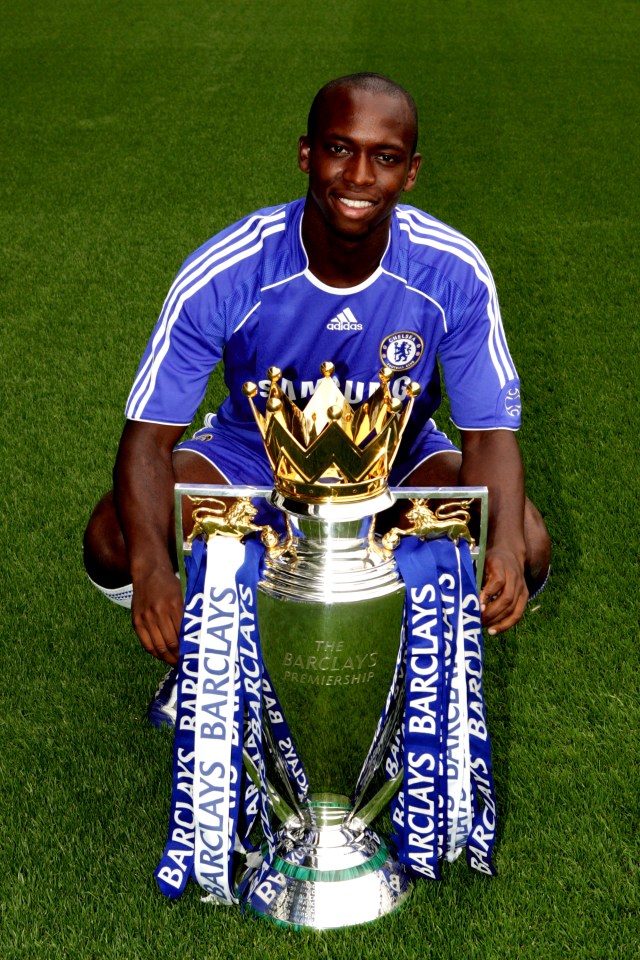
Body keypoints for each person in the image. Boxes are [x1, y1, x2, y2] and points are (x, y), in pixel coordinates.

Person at [84, 73, 550, 712]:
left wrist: (500, 549)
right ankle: (205, 656)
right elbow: (146, 438)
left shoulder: (452, 269)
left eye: (384, 158)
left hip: (394, 460)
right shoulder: (230, 269)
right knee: (116, 534)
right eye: (340, 149)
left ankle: (400, 671)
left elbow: (489, 434)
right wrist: (152, 571)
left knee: (522, 537)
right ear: (307, 154)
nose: (359, 176)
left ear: (410, 173)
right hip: (254, 459)